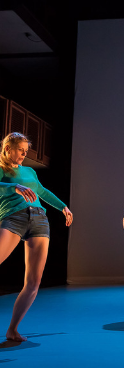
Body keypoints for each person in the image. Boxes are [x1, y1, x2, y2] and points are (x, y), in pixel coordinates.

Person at [0, 132, 73, 342]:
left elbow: (42, 191)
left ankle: (12, 329)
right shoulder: (1, 169)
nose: (24, 154)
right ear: (8, 149)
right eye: (20, 150)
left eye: (26, 151)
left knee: (34, 281)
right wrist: (13, 186)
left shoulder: (30, 171)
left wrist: (63, 207)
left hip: (40, 219)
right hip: (14, 218)